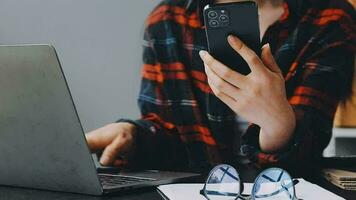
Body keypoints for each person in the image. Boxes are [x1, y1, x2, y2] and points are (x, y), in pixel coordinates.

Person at [86, 0, 356, 174]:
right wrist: (133, 135)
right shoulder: (166, 20)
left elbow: (307, 147)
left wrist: (278, 123)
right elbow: (170, 136)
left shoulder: (330, 18)